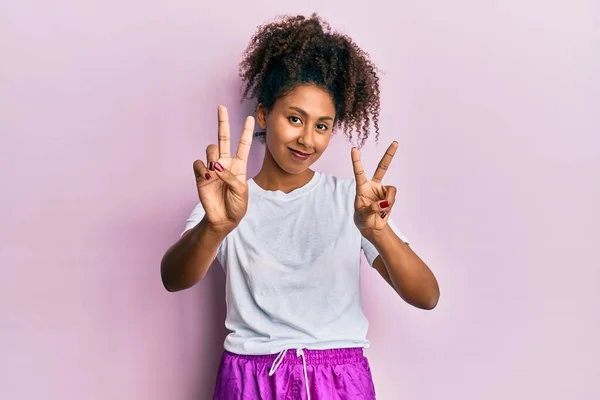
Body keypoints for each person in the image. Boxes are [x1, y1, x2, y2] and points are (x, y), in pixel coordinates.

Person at [160, 13, 440, 400]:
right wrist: (216, 227)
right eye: (295, 118)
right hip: (250, 377)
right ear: (263, 114)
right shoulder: (226, 199)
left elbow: (426, 296)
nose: (307, 139)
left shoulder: (351, 202)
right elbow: (173, 278)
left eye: (322, 126)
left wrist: (377, 231)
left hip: (340, 377)